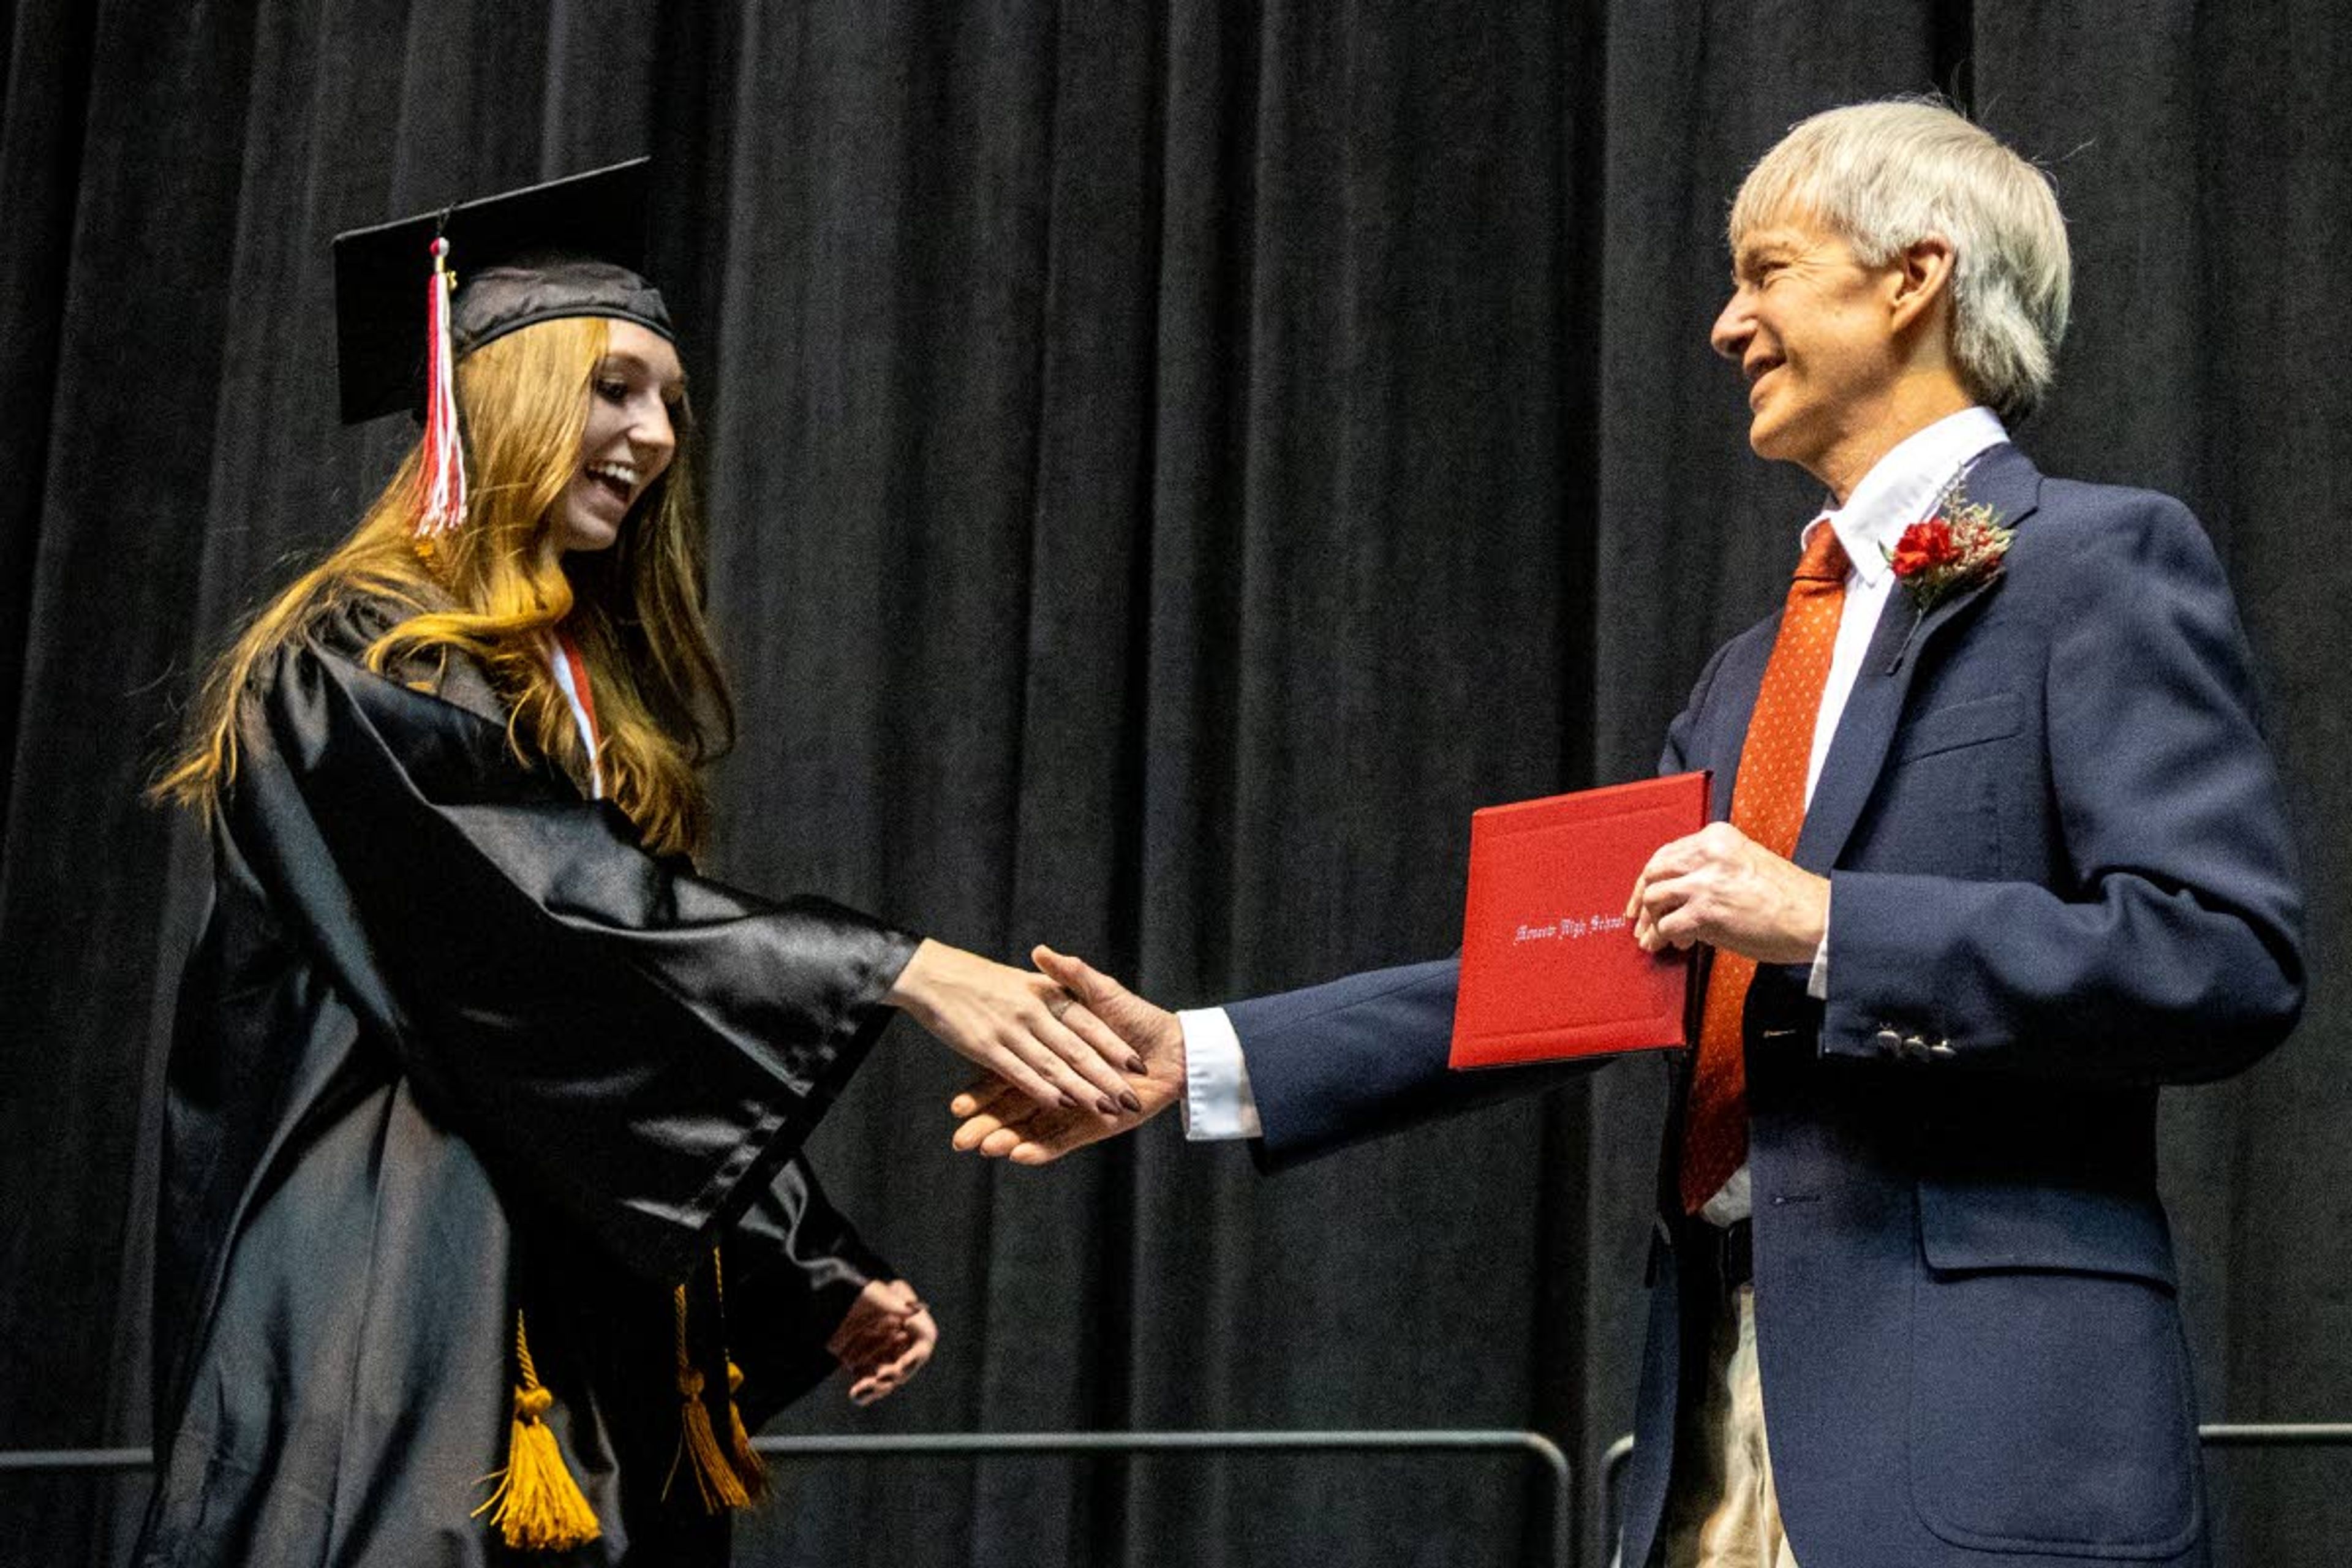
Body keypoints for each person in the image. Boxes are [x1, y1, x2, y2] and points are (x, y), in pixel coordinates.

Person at [949, 101, 2306, 1567]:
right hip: (1710, 1420)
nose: (1728, 324)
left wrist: (1833, 924)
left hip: (1988, 1425)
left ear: (1912, 280)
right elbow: (1582, 970)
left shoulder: (2101, 563)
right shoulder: (1744, 674)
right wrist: (1201, 1057)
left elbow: (2219, 954)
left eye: (1767, 270)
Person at [138, 162, 1143, 1567]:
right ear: (498, 390)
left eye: (670, 400)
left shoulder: (559, 693)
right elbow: (548, 930)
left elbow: (607, 1031)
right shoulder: (355, 658)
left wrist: (805, 1265)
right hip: (398, 1299)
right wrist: (897, 966)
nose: (656, 431)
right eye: (614, 386)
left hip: (556, 1326)